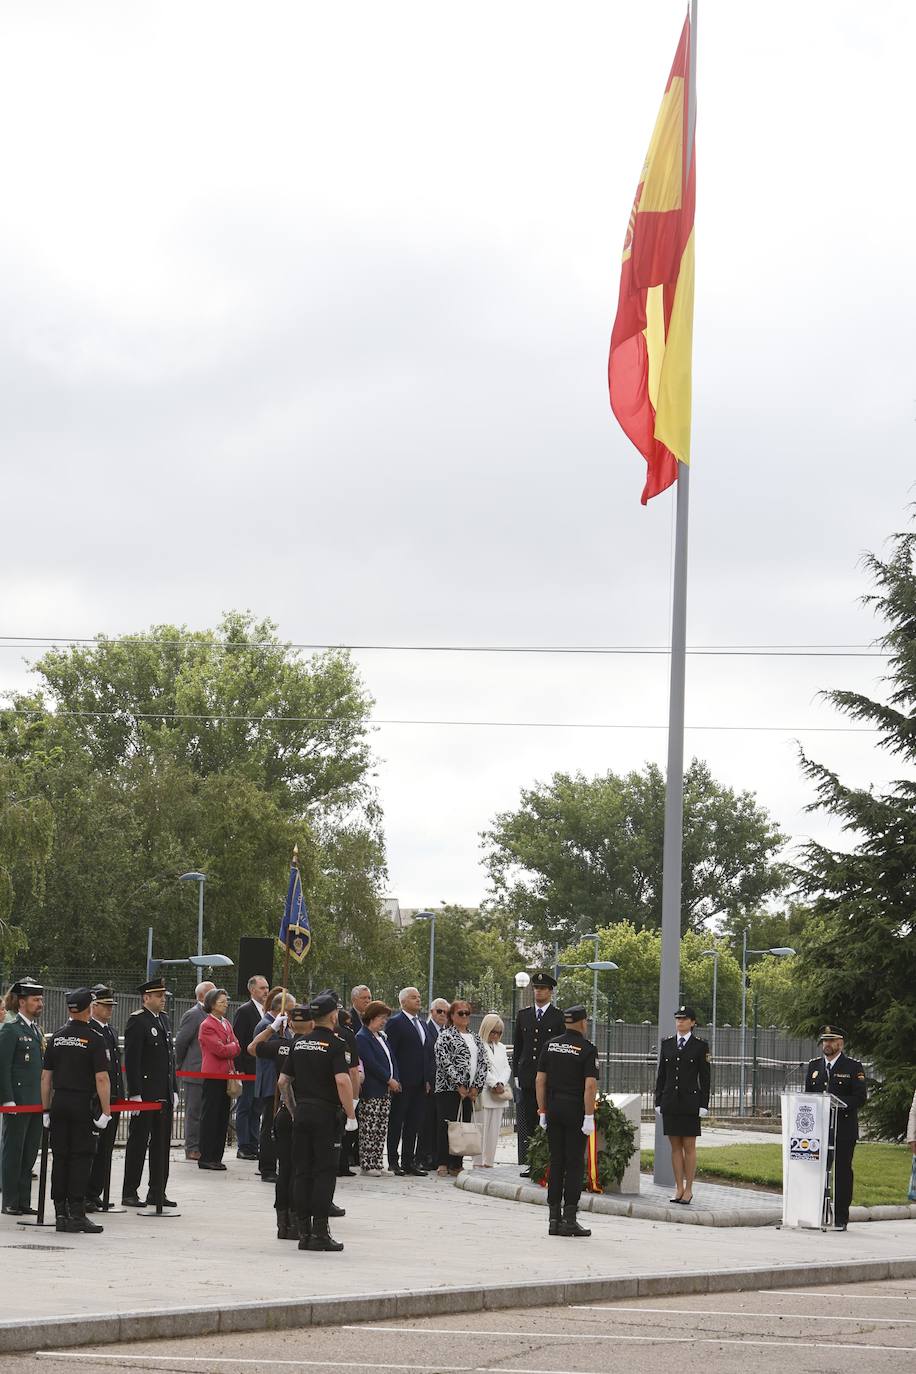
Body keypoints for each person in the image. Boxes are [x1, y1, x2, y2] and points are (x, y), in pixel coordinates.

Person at [277, 992, 357, 1252]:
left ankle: (303, 1232)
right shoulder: (336, 1045)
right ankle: (320, 1233)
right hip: (326, 1114)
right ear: (333, 1015)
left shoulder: (298, 1044)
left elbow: (283, 1082)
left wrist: (293, 1109)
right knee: (324, 1172)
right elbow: (343, 1081)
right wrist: (351, 1113)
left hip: (302, 1114)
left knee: (302, 1171)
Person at [41, 987, 111, 1234]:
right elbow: (102, 1079)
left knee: (60, 1157)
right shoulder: (94, 1038)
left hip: (59, 1103)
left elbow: (45, 1078)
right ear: (88, 1009)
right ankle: (77, 1214)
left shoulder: (57, 1037)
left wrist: (46, 1110)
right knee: (81, 1157)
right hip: (82, 1104)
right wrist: (106, 1112)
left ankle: (61, 1214)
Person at [536, 1004, 599, 1237]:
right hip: (574, 1109)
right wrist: (589, 1116)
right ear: (583, 1023)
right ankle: (569, 1219)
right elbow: (590, 1085)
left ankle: (553, 1219)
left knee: (556, 1161)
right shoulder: (587, 1048)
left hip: (553, 1107)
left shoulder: (550, 1045)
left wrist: (542, 1110)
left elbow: (540, 1080)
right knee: (574, 1163)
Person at [253, 1002, 312, 1240]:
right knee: (301, 1170)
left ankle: (283, 1224)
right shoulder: (312, 1046)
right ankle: (298, 1222)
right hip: (304, 1114)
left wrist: (271, 1029)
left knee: (285, 1168)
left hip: (284, 1113)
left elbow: (252, 1047)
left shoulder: (282, 1046)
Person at [122, 977, 179, 1208]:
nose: (163, 1000)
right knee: (138, 1143)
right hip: (145, 1094)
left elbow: (169, 1060)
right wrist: (134, 1093)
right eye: (158, 996)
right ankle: (129, 1191)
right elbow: (133, 1060)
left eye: (163, 995)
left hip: (162, 1093)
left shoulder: (163, 1020)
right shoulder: (138, 1021)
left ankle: (157, 1191)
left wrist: (173, 1088)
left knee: (161, 1145)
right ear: (146, 998)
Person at [804, 1024, 868, 1230]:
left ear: (841, 1043)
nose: (827, 1044)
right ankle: (817, 1212)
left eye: (831, 1041)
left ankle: (841, 1217)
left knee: (841, 1172)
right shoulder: (814, 1067)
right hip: (819, 1130)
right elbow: (808, 1096)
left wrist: (834, 1101)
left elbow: (860, 1098)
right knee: (817, 1171)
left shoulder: (852, 1067)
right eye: (825, 1040)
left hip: (843, 1128)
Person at [654, 1004, 711, 1205]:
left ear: (693, 1023)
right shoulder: (667, 1043)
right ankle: (678, 1188)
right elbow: (662, 1074)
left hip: (690, 1103)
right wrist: (658, 1099)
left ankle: (689, 1189)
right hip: (670, 1101)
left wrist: (704, 1103)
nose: (680, 1022)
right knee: (675, 1147)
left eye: (685, 1019)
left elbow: (705, 1077)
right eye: (678, 1018)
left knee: (689, 1146)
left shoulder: (700, 1046)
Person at [0, 978, 45, 1216]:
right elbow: (3, 1066)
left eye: (40, 999)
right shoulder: (11, 1028)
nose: (40, 1003)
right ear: (21, 1001)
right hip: (17, 1102)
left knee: (29, 1153)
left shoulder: (35, 1029)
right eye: (36, 1000)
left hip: (35, 1102)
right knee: (13, 1151)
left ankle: (24, 1200)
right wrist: (7, 1099)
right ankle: (10, 1200)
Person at [513, 971, 564, 1176]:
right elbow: (519, 1046)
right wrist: (517, 1073)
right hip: (527, 1077)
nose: (538, 992)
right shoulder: (524, 1015)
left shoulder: (558, 1016)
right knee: (531, 1121)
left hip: (549, 1078)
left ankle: (547, 1162)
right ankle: (534, 1163)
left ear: (550, 991)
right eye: (536, 988)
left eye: (542, 989)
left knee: (548, 1120)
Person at [433, 999, 487, 1176]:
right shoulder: (445, 1035)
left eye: (467, 1013)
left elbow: (483, 1062)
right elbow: (443, 1061)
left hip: (470, 1090)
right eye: (460, 1013)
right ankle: (442, 1162)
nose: (464, 1016)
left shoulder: (476, 1037)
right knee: (447, 1125)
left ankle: (457, 1163)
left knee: (464, 1126)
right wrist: (458, 1084)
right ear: (452, 1016)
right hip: (449, 1088)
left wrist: (476, 1086)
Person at [249, 989, 296, 1184]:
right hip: (270, 1080)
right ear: (281, 1010)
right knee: (268, 1126)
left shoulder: (281, 1026)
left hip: (278, 1080)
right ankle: (267, 1167)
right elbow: (260, 1050)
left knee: (275, 1125)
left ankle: (272, 1164)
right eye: (291, 1011)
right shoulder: (267, 1025)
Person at [384, 987, 430, 1176]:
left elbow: (426, 1053)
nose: (418, 1000)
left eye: (419, 997)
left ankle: (409, 1161)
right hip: (402, 1082)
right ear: (403, 1002)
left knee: (414, 1123)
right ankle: (393, 1161)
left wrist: (427, 1079)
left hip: (420, 1083)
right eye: (413, 997)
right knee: (397, 1122)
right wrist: (394, 1078)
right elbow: (391, 1052)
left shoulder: (422, 1024)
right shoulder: (395, 1023)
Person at [86, 985, 124, 1211]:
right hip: (95, 1099)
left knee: (106, 1148)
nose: (110, 1010)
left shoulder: (108, 1030)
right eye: (105, 1005)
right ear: (93, 1006)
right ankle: (86, 1193)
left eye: (111, 1005)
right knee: (93, 1149)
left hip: (112, 1097)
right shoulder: (90, 1030)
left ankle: (96, 1192)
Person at [197, 987, 241, 1170]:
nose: (225, 1004)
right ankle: (206, 1156)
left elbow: (237, 1046)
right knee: (211, 1116)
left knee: (223, 1116)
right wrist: (230, 1046)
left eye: (226, 1001)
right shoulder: (207, 1025)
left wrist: (230, 1046)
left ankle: (217, 1155)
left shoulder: (227, 1023)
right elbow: (219, 1050)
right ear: (212, 1004)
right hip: (213, 1074)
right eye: (221, 1002)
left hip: (227, 1074)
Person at [355, 1000, 400, 1176]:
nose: (384, 1022)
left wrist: (396, 1077)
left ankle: (378, 1162)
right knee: (370, 1128)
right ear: (371, 1017)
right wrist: (388, 1079)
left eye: (385, 1019)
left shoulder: (381, 1037)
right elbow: (371, 1063)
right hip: (373, 1089)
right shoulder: (362, 1037)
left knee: (381, 1127)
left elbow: (392, 1059)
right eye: (381, 1018)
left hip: (385, 1090)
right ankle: (367, 1164)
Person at [174, 980, 215, 1161]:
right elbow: (181, 1042)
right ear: (202, 996)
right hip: (194, 1071)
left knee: (206, 1113)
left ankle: (204, 1145)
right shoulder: (193, 1015)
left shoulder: (214, 1015)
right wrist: (180, 1065)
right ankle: (192, 1147)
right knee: (194, 1112)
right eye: (213, 994)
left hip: (210, 1072)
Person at [232, 974, 269, 1161]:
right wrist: (239, 1068)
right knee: (245, 1107)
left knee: (257, 1108)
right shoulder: (245, 1011)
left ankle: (254, 1144)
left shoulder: (266, 1011)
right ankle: (244, 1145)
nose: (266, 991)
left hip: (261, 1069)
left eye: (267, 988)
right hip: (248, 1068)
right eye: (262, 988)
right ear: (252, 990)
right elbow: (238, 1040)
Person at [472, 1013, 512, 1168]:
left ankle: (489, 1161)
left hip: (499, 1095)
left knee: (494, 1132)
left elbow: (506, 1068)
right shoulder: (478, 1045)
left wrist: (501, 1083)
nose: (495, 1035)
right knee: (481, 1129)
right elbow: (479, 1068)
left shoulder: (501, 1048)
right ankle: (477, 1162)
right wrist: (494, 1083)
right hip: (484, 1092)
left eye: (499, 1033)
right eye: (493, 1031)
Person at [332, 1003, 362, 1178]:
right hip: (343, 1089)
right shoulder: (347, 1036)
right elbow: (352, 1070)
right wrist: (354, 1096)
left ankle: (336, 1164)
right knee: (344, 1129)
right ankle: (341, 1164)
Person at [420, 998, 449, 1169]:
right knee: (426, 1122)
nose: (443, 1015)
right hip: (430, 1083)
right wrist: (426, 1079)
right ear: (431, 1012)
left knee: (439, 1122)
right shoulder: (425, 1029)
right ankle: (424, 1156)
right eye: (439, 1011)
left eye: (446, 1012)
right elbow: (424, 1057)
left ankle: (437, 1157)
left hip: (444, 1085)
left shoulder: (448, 1031)